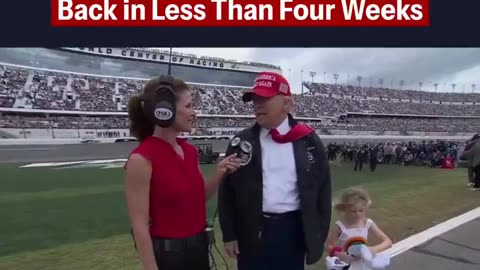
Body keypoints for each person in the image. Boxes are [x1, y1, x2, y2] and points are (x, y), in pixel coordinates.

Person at [124, 75, 242, 270]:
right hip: (168, 259)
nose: (194, 112)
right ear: (165, 110)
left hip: (199, 253)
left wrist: (218, 173)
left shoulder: (190, 151)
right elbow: (139, 226)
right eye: (188, 106)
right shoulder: (141, 159)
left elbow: (196, 199)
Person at [217, 71, 332, 270]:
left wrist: (317, 235)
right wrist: (229, 234)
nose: (258, 104)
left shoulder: (308, 140)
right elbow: (227, 192)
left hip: (292, 230)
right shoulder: (242, 141)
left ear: (287, 104)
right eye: (255, 99)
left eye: (265, 98)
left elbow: (323, 190)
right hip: (251, 230)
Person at [325, 187, 392, 269]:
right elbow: (328, 245)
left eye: (361, 211)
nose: (357, 214)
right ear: (345, 209)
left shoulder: (367, 223)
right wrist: (340, 255)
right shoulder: (340, 226)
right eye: (353, 211)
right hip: (345, 264)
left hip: (362, 264)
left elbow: (387, 242)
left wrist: (372, 250)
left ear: (366, 208)